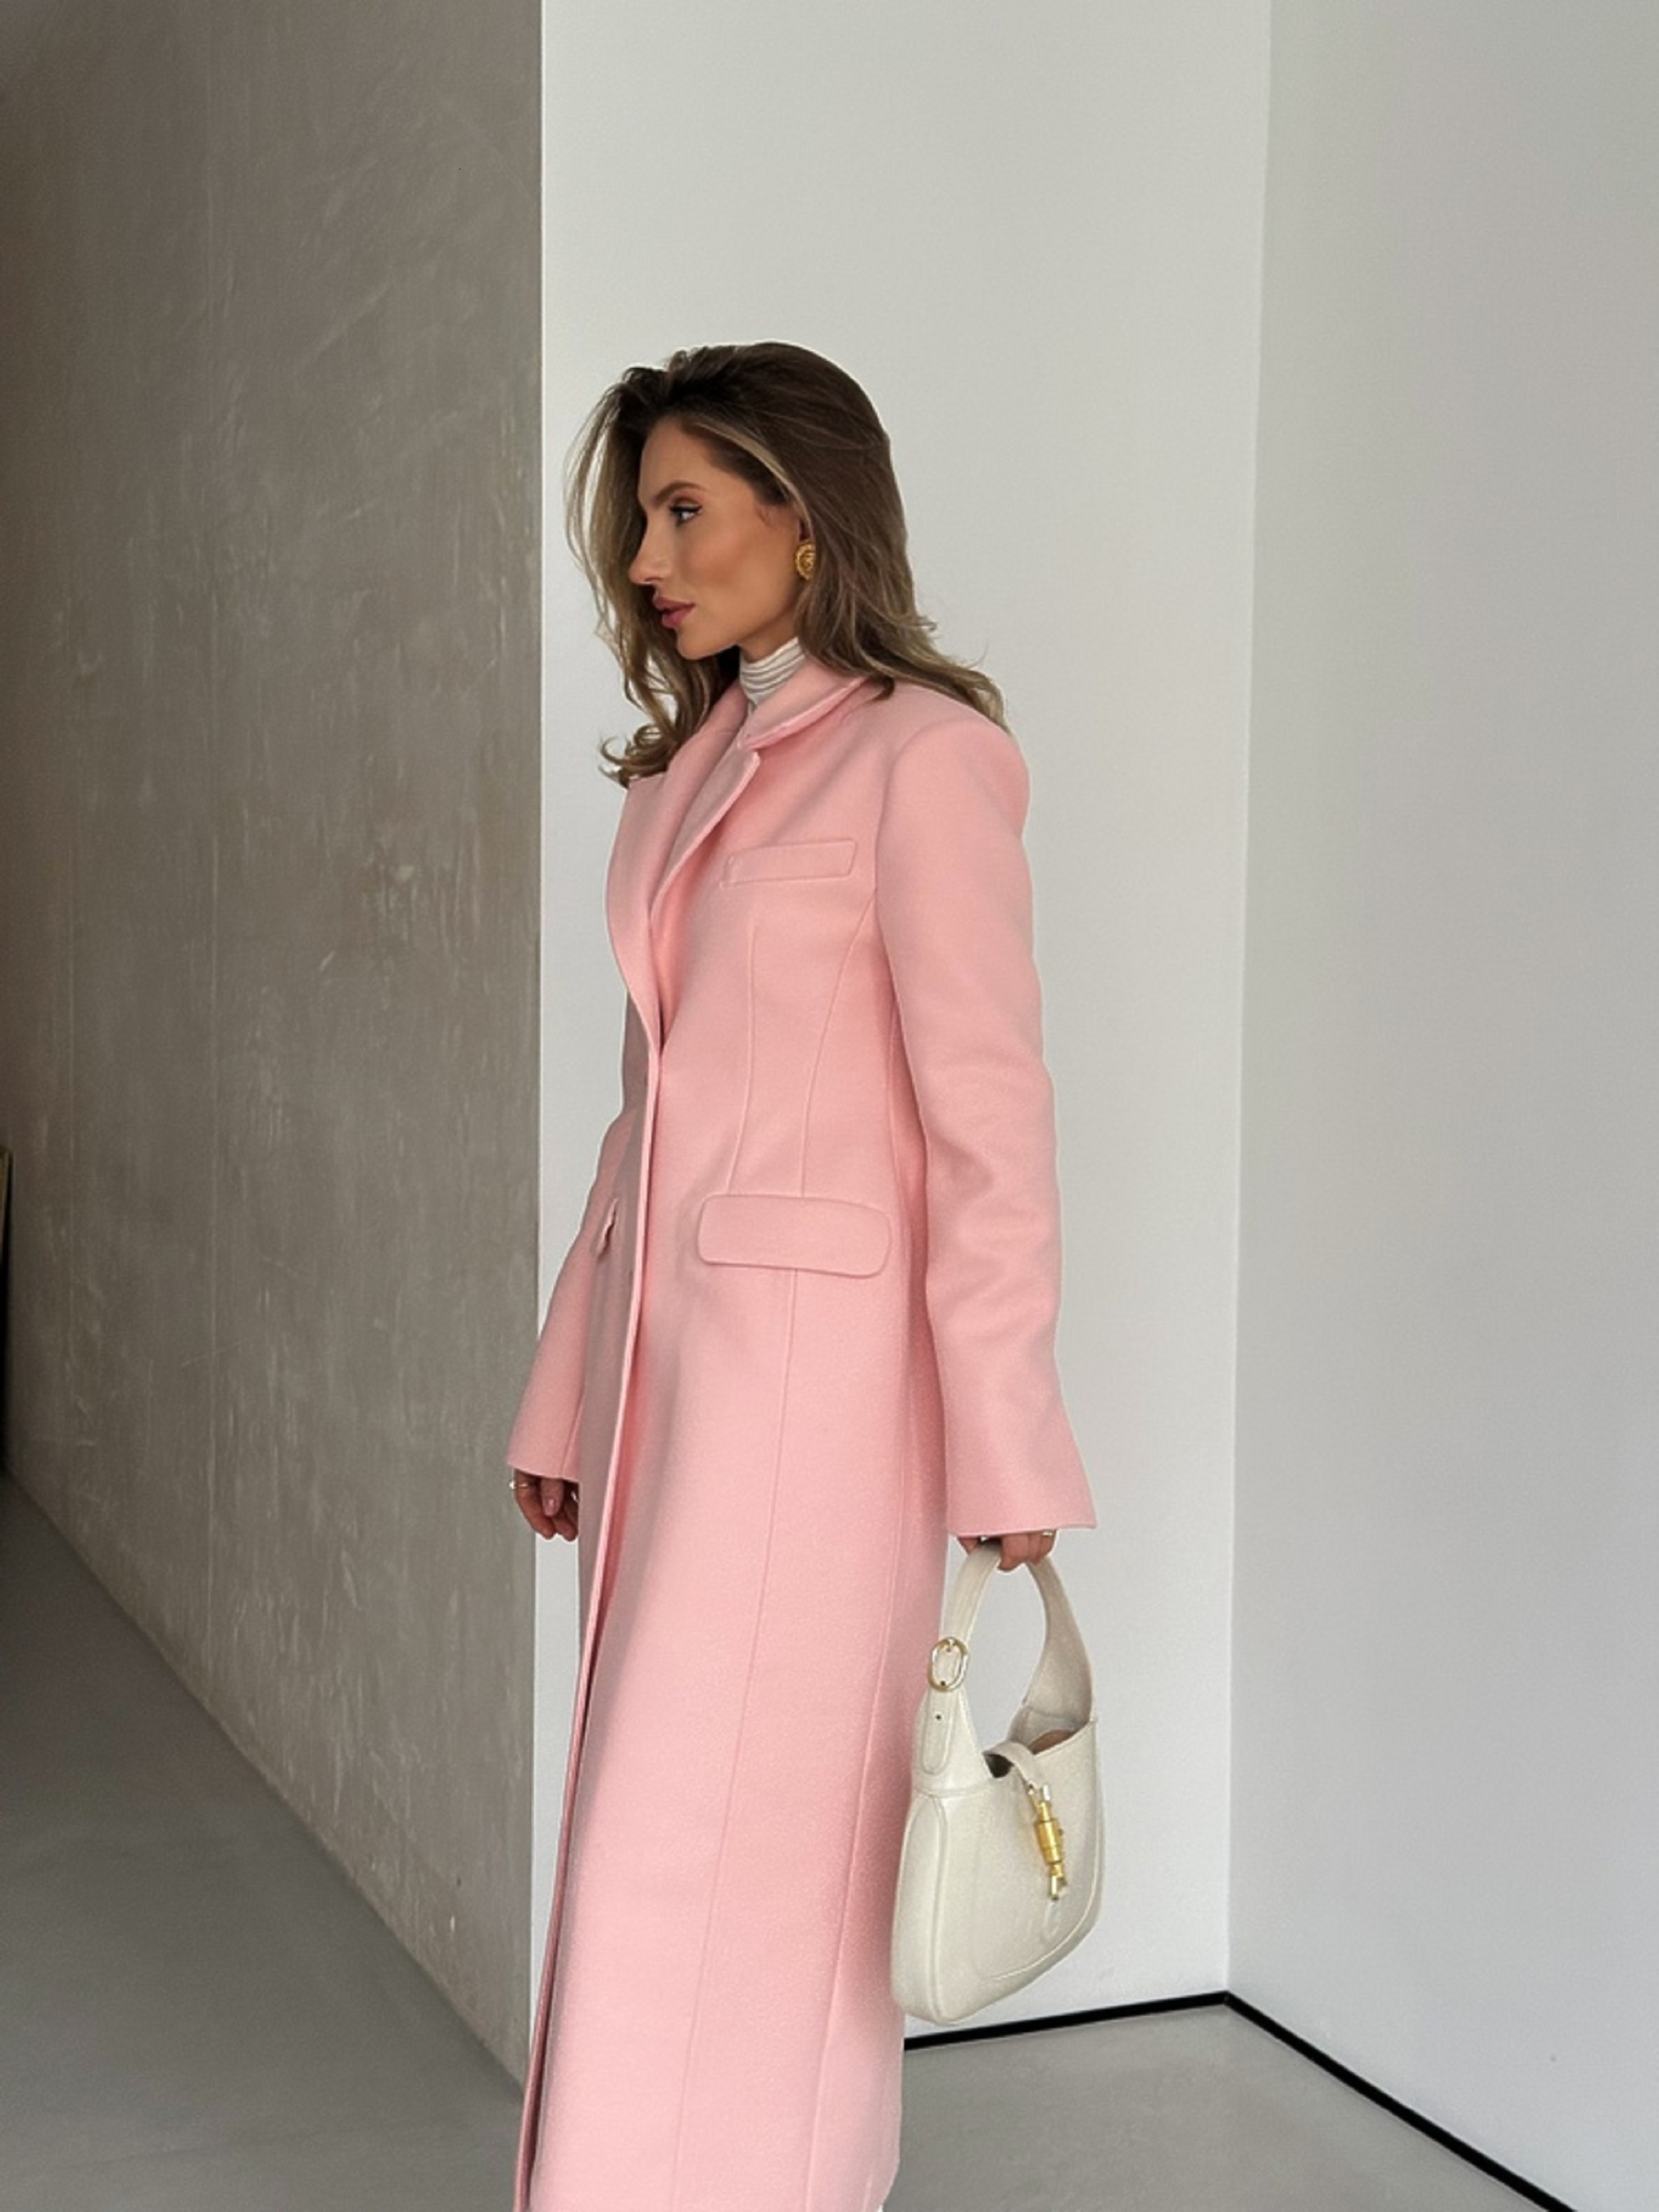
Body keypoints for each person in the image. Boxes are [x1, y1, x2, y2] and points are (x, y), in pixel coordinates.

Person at [503, 342, 1097, 2212]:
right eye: (639, 521)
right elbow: (645, 1127)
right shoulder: (685, 773)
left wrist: (1007, 1443)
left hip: (818, 1419)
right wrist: (564, 1387)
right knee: (648, 1846)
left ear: (804, 512)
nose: (646, 562)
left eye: (683, 511)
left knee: (762, 1870)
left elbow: (988, 1125)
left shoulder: (926, 759)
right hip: (667, 1395)